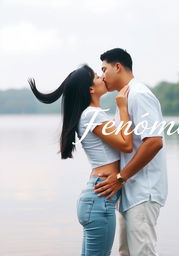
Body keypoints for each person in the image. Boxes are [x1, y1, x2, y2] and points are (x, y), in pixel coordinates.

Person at [28, 64, 133, 256]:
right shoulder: (92, 114)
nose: (102, 77)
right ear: (90, 89)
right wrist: (123, 107)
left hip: (96, 198)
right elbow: (126, 144)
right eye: (96, 77)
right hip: (100, 199)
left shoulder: (87, 114)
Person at [94, 48, 168, 256]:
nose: (101, 76)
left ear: (117, 67)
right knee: (126, 252)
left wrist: (121, 177)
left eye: (104, 69)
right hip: (130, 191)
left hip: (143, 190)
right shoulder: (124, 99)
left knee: (142, 252)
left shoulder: (139, 94)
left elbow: (154, 142)